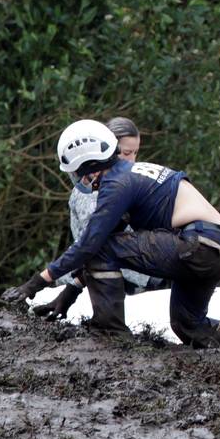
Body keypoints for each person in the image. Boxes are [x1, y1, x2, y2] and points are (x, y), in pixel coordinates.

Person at [1, 118, 220, 350]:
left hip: (198, 245)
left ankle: (111, 332)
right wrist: (68, 294)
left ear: (90, 168)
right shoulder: (129, 174)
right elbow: (103, 246)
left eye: (76, 174)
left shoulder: (116, 185)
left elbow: (90, 246)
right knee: (189, 325)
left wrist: (34, 284)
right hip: (217, 248)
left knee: (99, 246)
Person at [36, 117, 166, 321]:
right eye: (125, 153)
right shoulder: (85, 194)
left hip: (139, 273)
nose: (132, 160)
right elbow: (86, 244)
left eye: (135, 153)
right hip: (98, 270)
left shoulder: (129, 184)